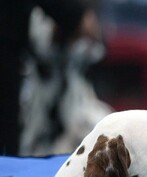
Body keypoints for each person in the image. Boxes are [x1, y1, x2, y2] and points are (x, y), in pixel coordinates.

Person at [0, 1, 100, 156]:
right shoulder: (38, 19)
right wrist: (74, 17)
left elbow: (95, 45)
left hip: (72, 93)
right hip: (37, 91)